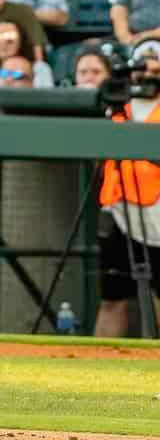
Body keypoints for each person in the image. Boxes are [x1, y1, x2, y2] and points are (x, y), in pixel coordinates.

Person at [93, 39, 160, 338]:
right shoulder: (116, 102)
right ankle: (99, 370)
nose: (148, 71)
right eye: (143, 63)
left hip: (158, 210)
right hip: (119, 208)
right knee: (112, 295)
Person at [0, 19, 54, 88]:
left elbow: (46, 100)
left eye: (9, 38)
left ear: (21, 40)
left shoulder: (39, 68)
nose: (3, 43)